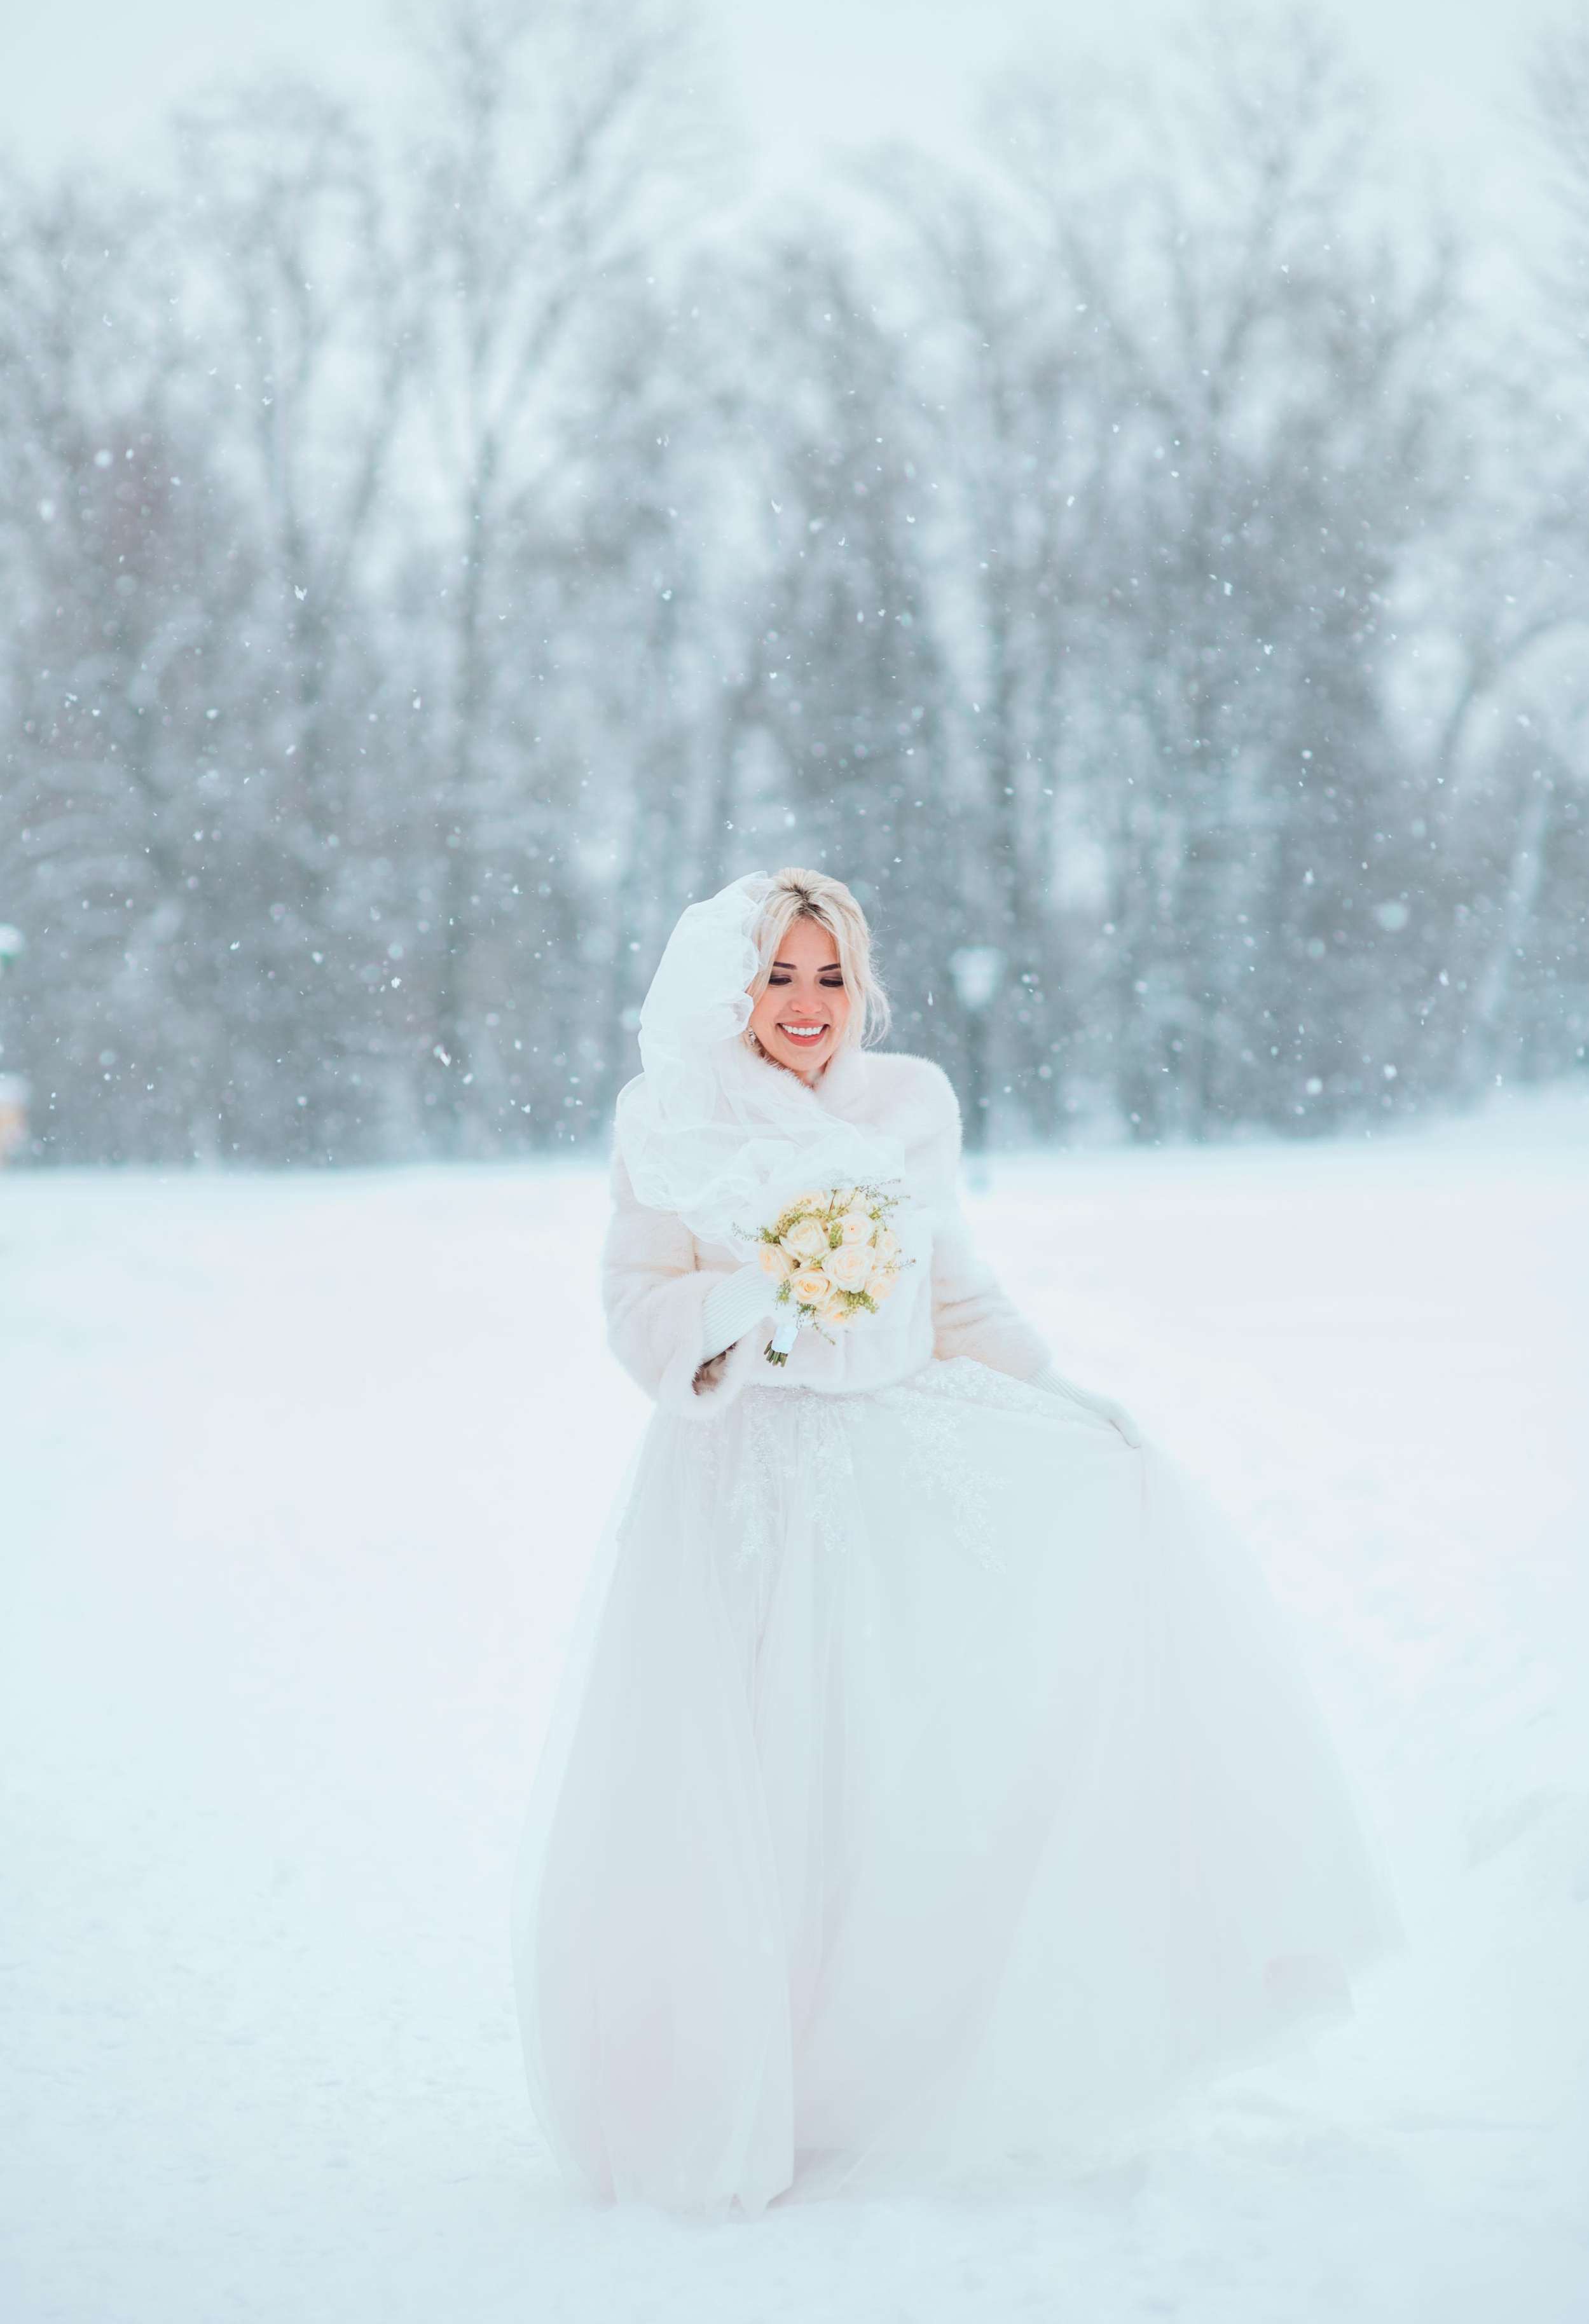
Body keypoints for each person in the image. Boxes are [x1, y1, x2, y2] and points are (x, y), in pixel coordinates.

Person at [512, 868, 1394, 2216]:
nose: (806, 1005)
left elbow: (957, 1293)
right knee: (745, 1783)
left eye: (830, 977)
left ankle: (870, 2073)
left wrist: (1060, 1403)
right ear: (731, 991)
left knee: (890, 1776)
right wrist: (772, 1291)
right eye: (778, 976)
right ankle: (726, 2085)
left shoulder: (906, 1105)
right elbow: (637, 1311)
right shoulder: (668, 1120)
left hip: (892, 1478)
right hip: (738, 1490)